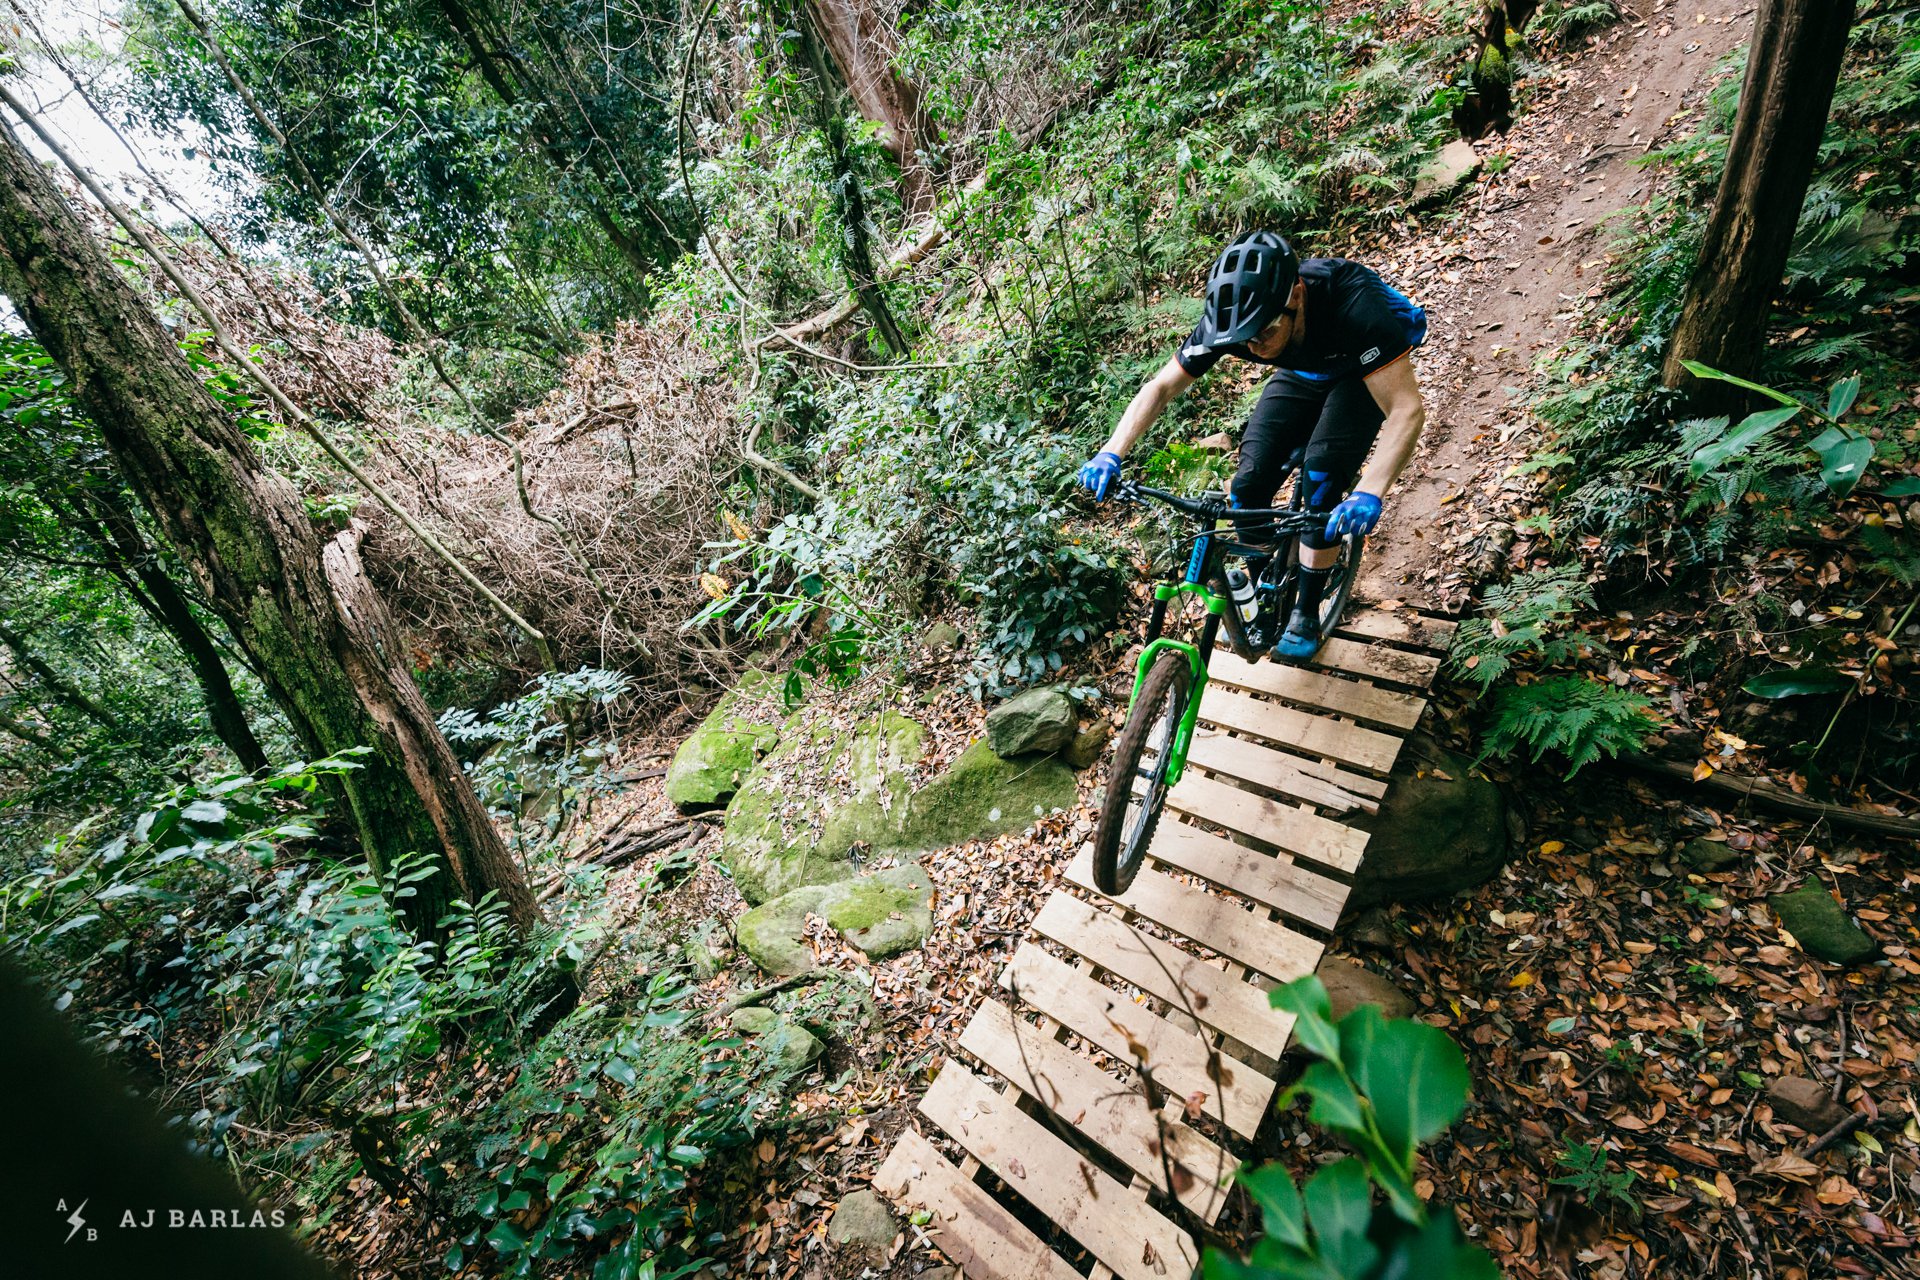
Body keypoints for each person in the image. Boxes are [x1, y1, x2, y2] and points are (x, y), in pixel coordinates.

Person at [1076, 231, 1428, 662]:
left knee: (1320, 478)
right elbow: (1163, 386)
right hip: (1303, 371)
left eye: (1263, 333)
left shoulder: (1356, 308)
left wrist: (1369, 490)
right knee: (1247, 485)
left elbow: (1406, 410)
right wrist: (1112, 451)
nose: (1252, 347)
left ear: (1296, 295)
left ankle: (1304, 610)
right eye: (1243, 339)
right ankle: (1267, 587)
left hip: (1359, 369)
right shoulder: (1233, 323)